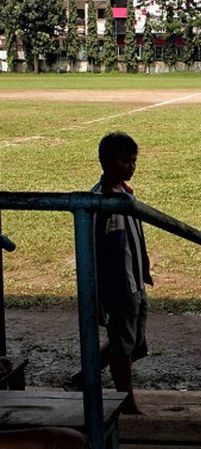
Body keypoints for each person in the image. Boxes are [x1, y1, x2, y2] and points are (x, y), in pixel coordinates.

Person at [64, 131, 152, 414]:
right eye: (124, 161)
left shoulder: (126, 195)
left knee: (133, 343)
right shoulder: (99, 203)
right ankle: (126, 402)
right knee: (123, 346)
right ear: (105, 162)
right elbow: (95, 250)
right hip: (119, 289)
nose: (131, 167)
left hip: (135, 282)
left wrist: (145, 268)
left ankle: (85, 375)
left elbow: (134, 238)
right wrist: (99, 296)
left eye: (133, 161)